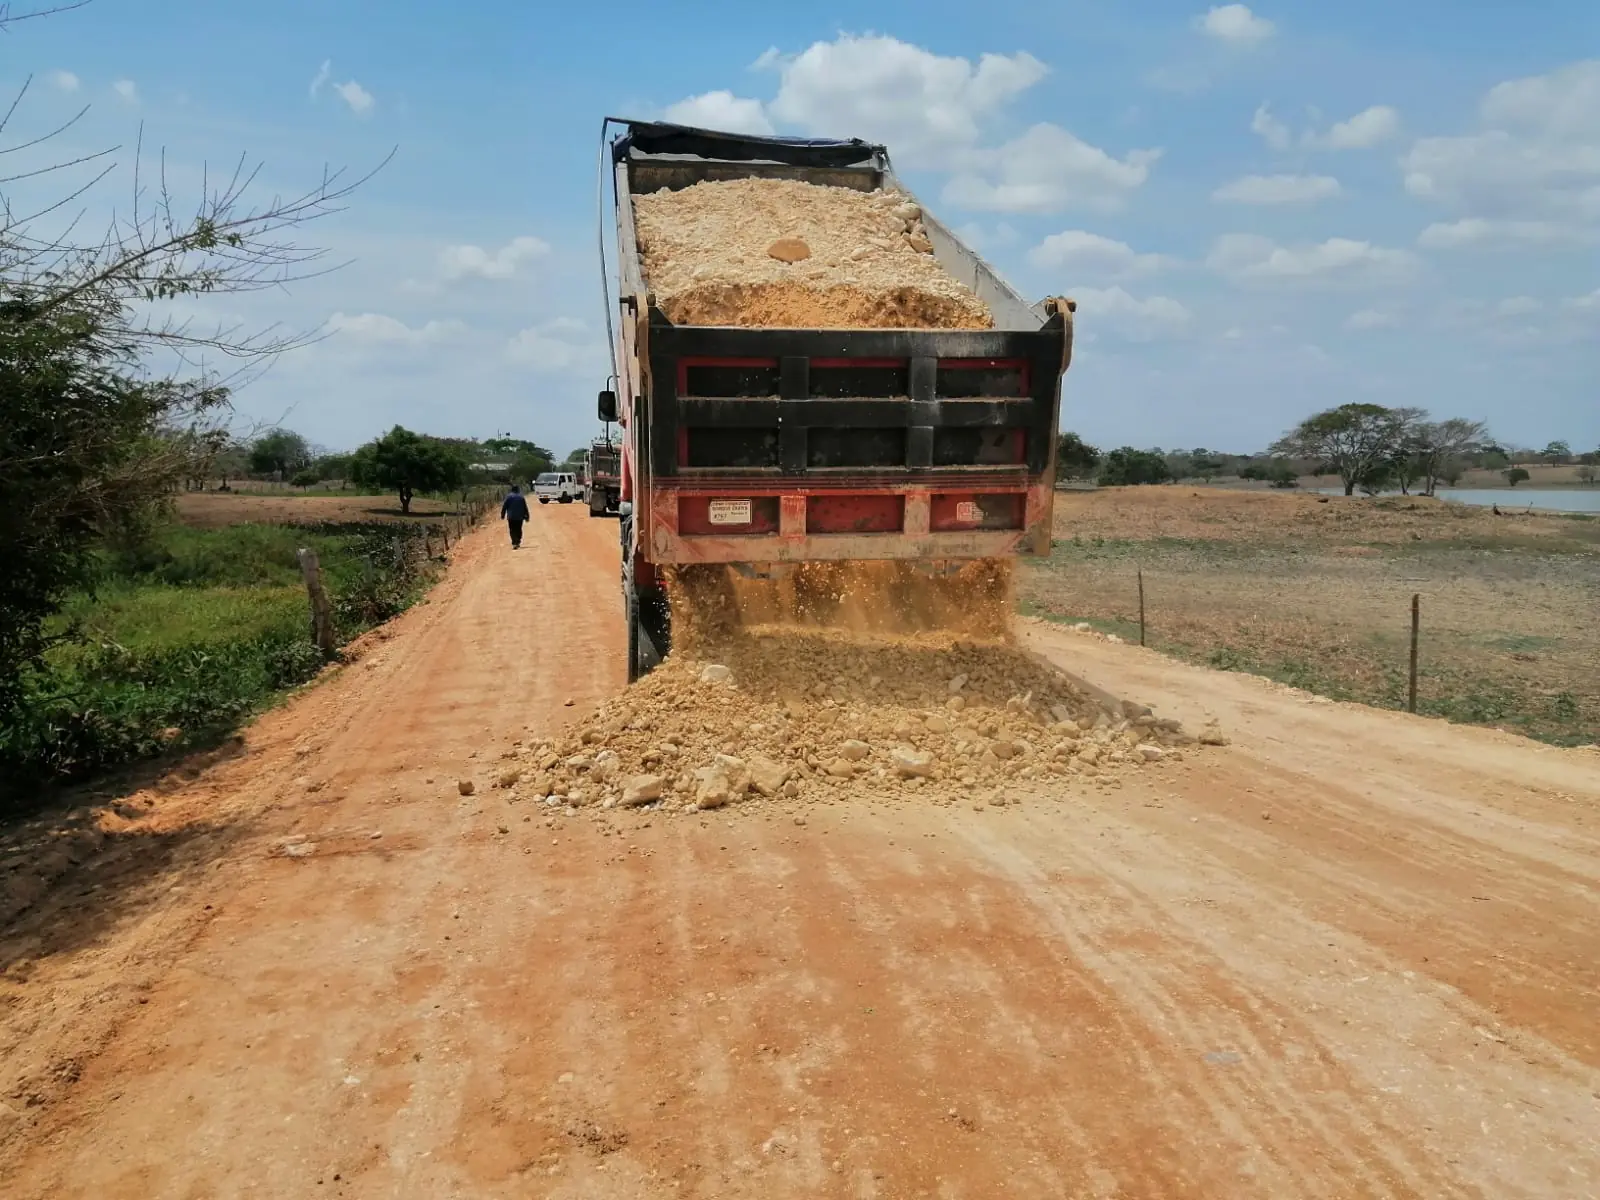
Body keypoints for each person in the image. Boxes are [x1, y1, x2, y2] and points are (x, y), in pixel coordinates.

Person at [501, 483, 530, 549]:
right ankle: (518, 541)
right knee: (518, 529)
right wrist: (527, 516)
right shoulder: (521, 497)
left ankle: (514, 543)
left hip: (511, 517)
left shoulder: (508, 497)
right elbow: (525, 508)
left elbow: (504, 507)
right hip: (519, 517)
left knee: (512, 530)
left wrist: (502, 515)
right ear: (518, 490)